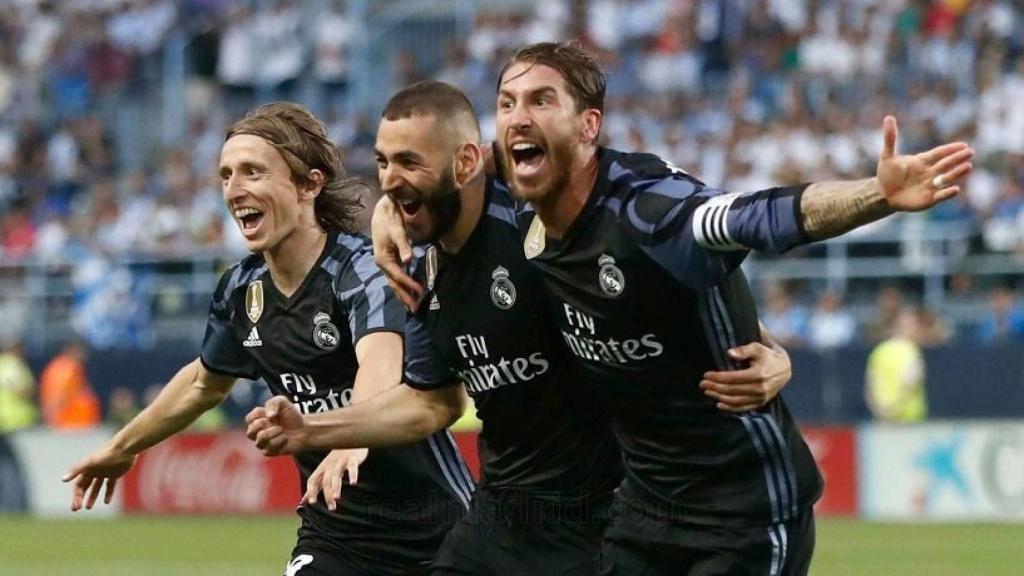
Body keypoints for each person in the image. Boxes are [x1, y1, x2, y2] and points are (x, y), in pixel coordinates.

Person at [373, 41, 973, 575]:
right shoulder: (526, 200)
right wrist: (389, 208)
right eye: (506, 103)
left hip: (742, 511)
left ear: (588, 126)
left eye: (541, 100)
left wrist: (877, 195)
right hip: (645, 512)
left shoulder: (647, 210)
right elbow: (448, 168)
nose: (518, 116)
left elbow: (754, 216)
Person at [246, 81, 795, 576]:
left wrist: (763, 345)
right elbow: (431, 402)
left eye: (408, 162)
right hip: (504, 510)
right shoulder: (418, 264)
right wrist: (313, 430)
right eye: (383, 163)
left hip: (601, 513)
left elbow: (658, 277)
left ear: (465, 163)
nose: (389, 182)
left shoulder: (534, 225)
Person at [62, 102, 471, 576]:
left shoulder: (361, 269)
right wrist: (122, 447)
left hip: (435, 534)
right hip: (334, 535)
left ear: (309, 185)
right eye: (226, 175)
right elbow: (203, 384)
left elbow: (380, 359)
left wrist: (349, 439)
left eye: (253, 172)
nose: (234, 189)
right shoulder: (242, 289)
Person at [865, 306, 928, 423]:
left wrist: (881, 412)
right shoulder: (911, 350)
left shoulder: (879, 350)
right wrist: (895, 408)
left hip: (883, 418)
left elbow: (870, 387)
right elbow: (912, 381)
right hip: (909, 419)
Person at [40, 341, 100, 430]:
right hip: (72, 422)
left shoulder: (56, 366)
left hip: (69, 421)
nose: (85, 355)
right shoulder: (68, 368)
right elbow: (61, 395)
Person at [0, 340, 38, 433]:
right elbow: (22, 390)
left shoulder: (3, 364)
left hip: (5, 419)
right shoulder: (13, 365)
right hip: (18, 418)